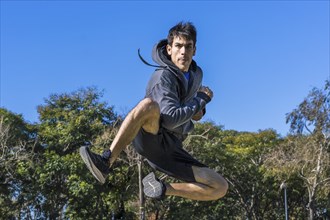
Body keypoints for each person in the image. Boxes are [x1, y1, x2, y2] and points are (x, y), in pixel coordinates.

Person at [80, 21, 228, 201]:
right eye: (178, 46)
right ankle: (106, 161)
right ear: (169, 49)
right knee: (148, 105)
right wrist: (202, 99)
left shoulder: (197, 74)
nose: (183, 52)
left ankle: (162, 188)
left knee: (220, 187)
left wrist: (199, 106)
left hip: (173, 148)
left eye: (188, 47)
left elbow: (194, 115)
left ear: (195, 50)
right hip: (152, 137)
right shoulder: (162, 77)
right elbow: (171, 119)